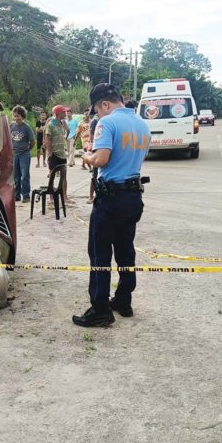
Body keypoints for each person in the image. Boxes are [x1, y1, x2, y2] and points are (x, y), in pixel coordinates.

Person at [72, 83, 150, 327]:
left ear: (105, 104)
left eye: (96, 110)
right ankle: (123, 300)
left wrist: (86, 156)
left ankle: (100, 309)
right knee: (126, 250)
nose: (97, 115)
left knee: (100, 253)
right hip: (133, 197)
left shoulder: (108, 123)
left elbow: (102, 159)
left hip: (110, 199)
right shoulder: (142, 124)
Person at [10, 105, 35, 203]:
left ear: (22, 116)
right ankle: (16, 195)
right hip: (14, 154)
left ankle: (26, 195)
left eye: (18, 116)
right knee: (16, 175)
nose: (16, 118)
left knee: (24, 175)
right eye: (15, 116)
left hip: (24, 154)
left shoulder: (26, 127)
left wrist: (27, 150)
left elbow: (32, 141)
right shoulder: (11, 126)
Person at [44, 105, 69, 202]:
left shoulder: (61, 123)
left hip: (62, 153)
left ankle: (65, 196)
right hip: (54, 154)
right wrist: (50, 153)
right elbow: (47, 139)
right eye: (64, 112)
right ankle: (51, 197)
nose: (65, 113)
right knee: (52, 176)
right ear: (59, 113)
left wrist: (67, 133)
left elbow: (68, 131)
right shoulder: (50, 124)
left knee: (64, 176)